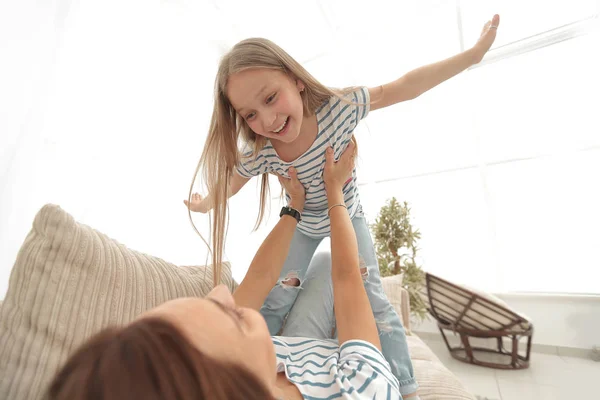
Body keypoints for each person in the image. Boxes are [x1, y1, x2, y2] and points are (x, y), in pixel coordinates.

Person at [184, 14, 500, 392]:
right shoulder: (263, 150)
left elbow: (404, 87)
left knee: (376, 299)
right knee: (276, 297)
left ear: (296, 80)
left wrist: (472, 55)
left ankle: (405, 383)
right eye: (250, 114)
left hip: (348, 216)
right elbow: (232, 182)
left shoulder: (340, 107)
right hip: (302, 225)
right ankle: (252, 368)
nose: (267, 119)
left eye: (270, 98)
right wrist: (206, 205)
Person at [48, 144, 414, 399]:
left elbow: (257, 280)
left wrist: (295, 207)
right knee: (326, 263)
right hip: (334, 360)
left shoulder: (236, 367)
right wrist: (335, 190)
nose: (224, 292)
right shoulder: (364, 388)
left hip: (293, 353)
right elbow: (348, 278)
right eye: (232, 317)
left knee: (307, 274)